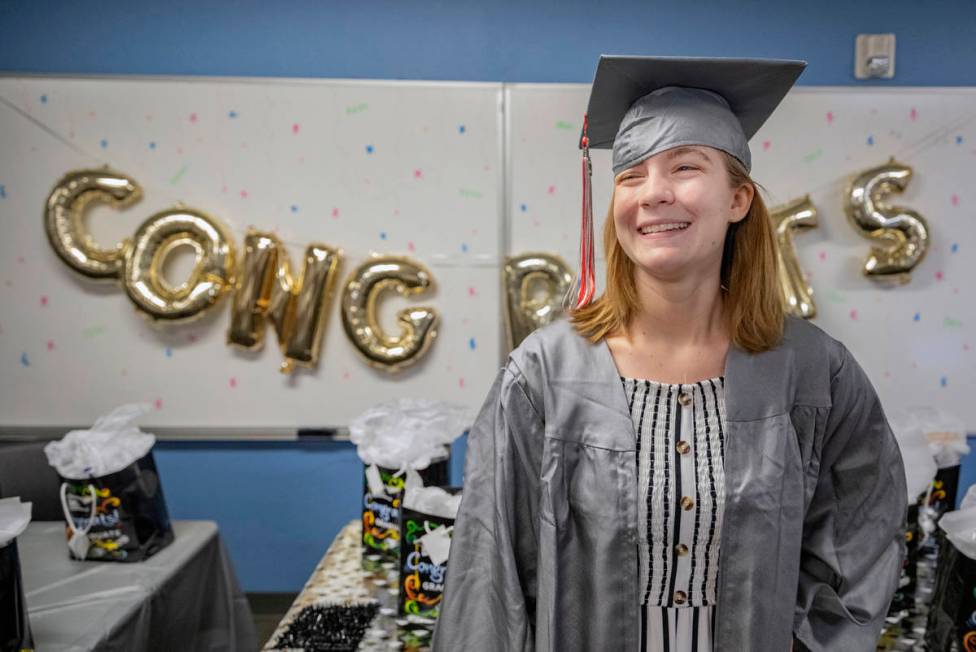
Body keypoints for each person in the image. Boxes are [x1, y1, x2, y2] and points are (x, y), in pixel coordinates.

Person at [431, 55, 907, 652]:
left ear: (738, 199)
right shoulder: (544, 374)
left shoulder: (814, 372)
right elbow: (489, 568)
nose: (653, 193)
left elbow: (859, 541)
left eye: (685, 167)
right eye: (630, 176)